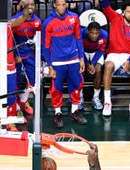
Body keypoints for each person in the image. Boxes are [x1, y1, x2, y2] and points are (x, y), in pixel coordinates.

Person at [43, 0, 86, 128]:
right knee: (56, 88)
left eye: (63, 4)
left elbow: (78, 38)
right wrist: (50, 66)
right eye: (59, 4)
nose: (61, 7)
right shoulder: (47, 23)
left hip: (73, 59)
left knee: (77, 85)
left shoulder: (74, 18)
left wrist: (81, 58)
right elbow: (46, 46)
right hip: (57, 61)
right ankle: (58, 113)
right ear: (54, 5)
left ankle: (74, 111)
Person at [99, 0, 130, 117]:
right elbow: (104, 5)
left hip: (129, 55)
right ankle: (107, 102)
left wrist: (129, 60)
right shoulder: (115, 18)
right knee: (108, 66)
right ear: (124, 12)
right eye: (128, 11)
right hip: (113, 54)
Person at [11, 0, 42, 117]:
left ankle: (23, 102)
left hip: (29, 54)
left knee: (32, 80)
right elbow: (9, 39)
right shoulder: (15, 20)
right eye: (27, 4)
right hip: (16, 56)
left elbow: (39, 41)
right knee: (16, 81)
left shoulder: (37, 21)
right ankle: (16, 107)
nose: (30, 7)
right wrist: (14, 55)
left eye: (32, 4)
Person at [81, 21, 108, 111]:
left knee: (98, 70)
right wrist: (87, 64)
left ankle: (95, 97)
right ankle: (80, 97)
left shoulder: (104, 35)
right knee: (80, 69)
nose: (94, 35)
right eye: (92, 33)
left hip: (96, 53)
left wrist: (92, 63)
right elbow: (79, 50)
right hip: (83, 53)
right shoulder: (81, 34)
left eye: (96, 33)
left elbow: (101, 50)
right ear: (88, 31)